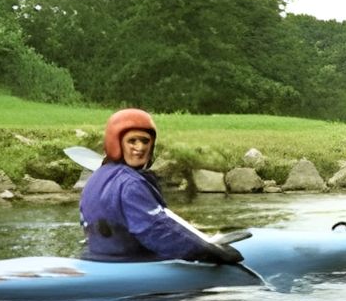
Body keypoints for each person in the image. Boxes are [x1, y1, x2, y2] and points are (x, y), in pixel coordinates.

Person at [79, 108, 246, 266]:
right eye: (132, 141)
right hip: (131, 265)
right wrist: (210, 252)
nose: (140, 147)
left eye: (145, 141)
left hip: (96, 260)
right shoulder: (131, 185)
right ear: (117, 144)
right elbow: (157, 231)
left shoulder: (95, 179)